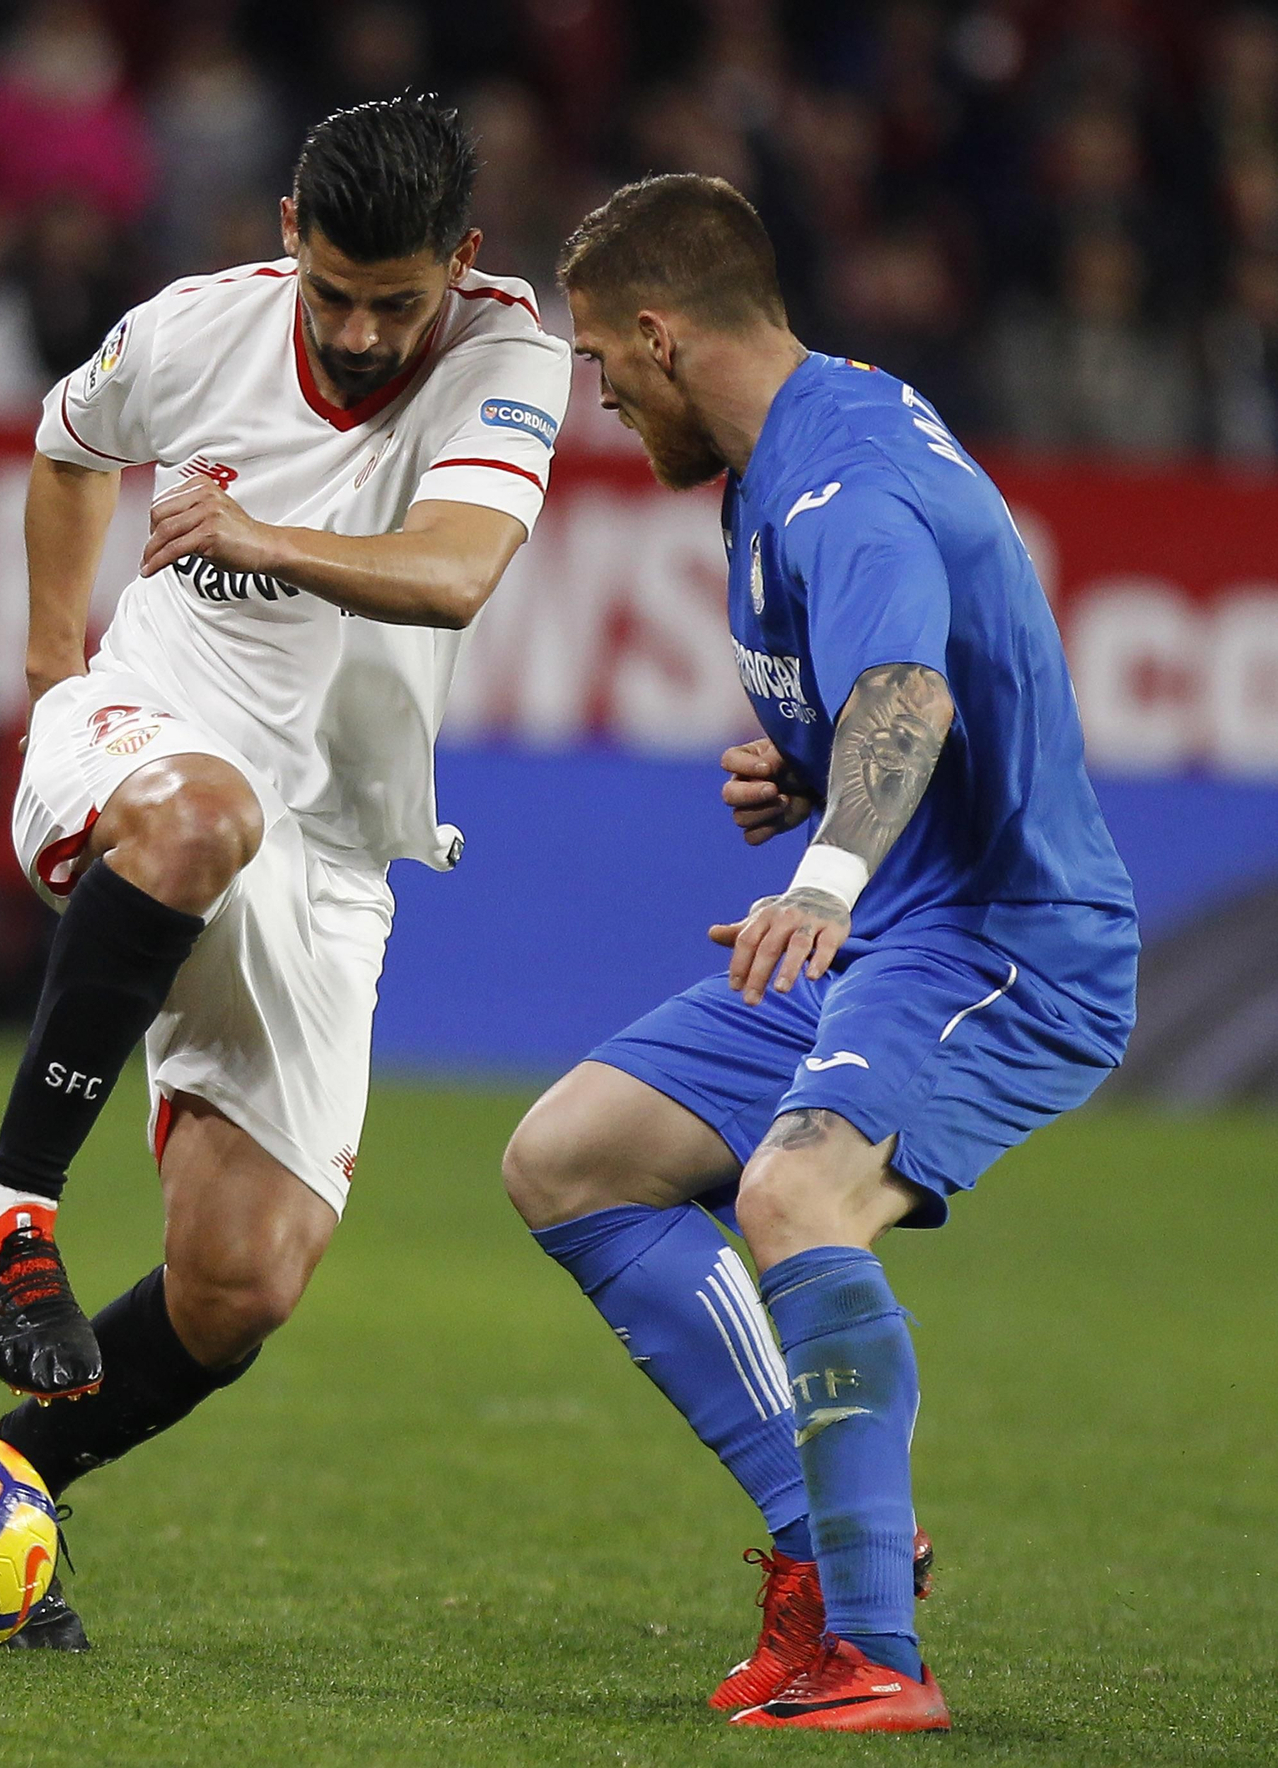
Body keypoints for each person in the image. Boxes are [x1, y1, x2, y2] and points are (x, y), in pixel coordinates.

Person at [502, 174, 1136, 1733]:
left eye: (600, 360)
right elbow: (894, 695)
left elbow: (909, 695)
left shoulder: (840, 482)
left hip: (1007, 944)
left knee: (795, 1195)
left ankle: (876, 1654)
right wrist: (804, 775)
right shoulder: (788, 451)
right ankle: (823, 1531)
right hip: (899, 934)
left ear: (662, 335)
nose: (599, 396)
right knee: (572, 1157)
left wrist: (830, 869)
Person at [0, 95, 570, 1648]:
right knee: (200, 815)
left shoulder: (511, 354)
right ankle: (12, 1212)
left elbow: (457, 571)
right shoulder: (195, 327)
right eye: (336, 292)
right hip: (152, 740)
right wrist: (52, 676)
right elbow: (68, 445)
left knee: (242, 1284)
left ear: (462, 262)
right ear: (291, 232)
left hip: (335, 844)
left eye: (397, 302)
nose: (361, 333)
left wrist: (261, 534)